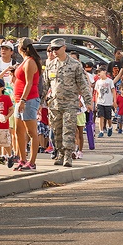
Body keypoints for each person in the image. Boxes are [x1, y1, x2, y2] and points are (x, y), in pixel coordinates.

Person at [45, 38, 93, 167]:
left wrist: (88, 101)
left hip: (70, 103)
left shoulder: (75, 64)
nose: (54, 51)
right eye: (52, 49)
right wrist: (40, 102)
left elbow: (83, 84)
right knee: (57, 131)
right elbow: (45, 85)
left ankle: (68, 156)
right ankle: (60, 154)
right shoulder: (50, 65)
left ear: (64, 47)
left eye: (57, 48)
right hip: (55, 104)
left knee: (69, 131)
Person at [13, 37, 42, 171]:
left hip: (28, 100)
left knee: (31, 132)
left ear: (21, 48)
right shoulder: (24, 61)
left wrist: (23, 100)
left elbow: (29, 83)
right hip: (19, 100)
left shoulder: (30, 62)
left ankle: (32, 161)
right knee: (19, 131)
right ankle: (22, 159)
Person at [93, 68, 114, 137]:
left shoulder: (110, 81)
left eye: (100, 72)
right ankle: (101, 131)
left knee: (108, 117)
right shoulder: (98, 82)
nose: (99, 74)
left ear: (104, 72)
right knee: (100, 116)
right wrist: (96, 102)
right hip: (100, 101)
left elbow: (113, 91)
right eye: (97, 73)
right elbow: (96, 92)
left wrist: (114, 100)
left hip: (108, 102)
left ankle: (110, 127)